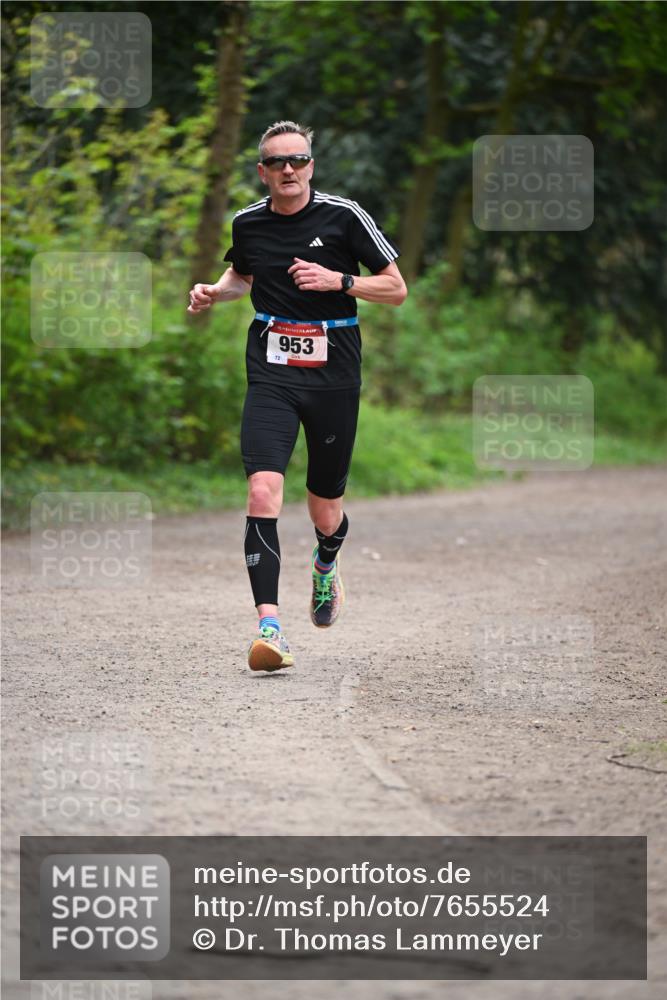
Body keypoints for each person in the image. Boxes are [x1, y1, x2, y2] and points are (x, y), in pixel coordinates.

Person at [188, 120, 407, 672]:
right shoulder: (249, 223)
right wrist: (217, 292)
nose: (289, 169)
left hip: (334, 376)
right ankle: (270, 628)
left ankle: (326, 564)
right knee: (263, 490)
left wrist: (341, 282)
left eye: (298, 160)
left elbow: (397, 289)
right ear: (262, 171)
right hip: (272, 373)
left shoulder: (344, 216)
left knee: (324, 508)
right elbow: (242, 276)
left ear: (311, 165)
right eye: (277, 162)